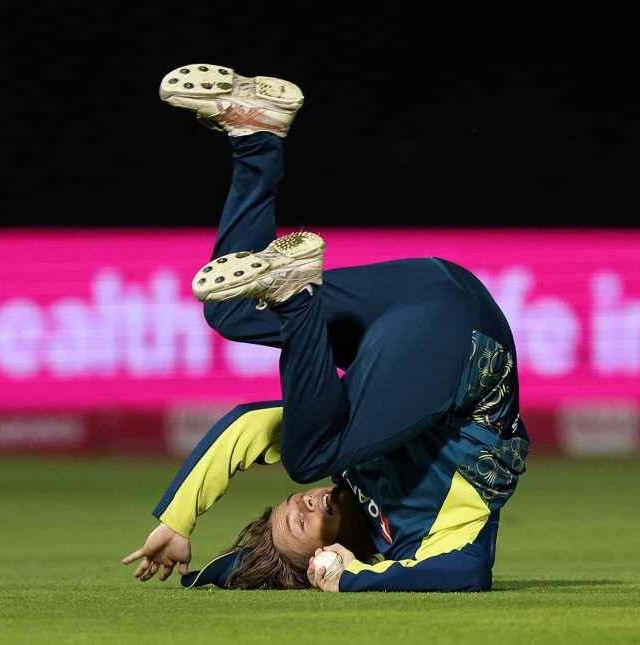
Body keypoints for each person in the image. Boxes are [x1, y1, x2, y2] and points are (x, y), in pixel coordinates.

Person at [121, 63, 530, 592]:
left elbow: (246, 426)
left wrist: (176, 522)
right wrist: (353, 578)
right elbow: (469, 573)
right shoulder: (419, 540)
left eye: (290, 506)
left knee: (231, 309)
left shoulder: (345, 450)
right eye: (302, 522)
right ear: (324, 555)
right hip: (466, 349)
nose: (307, 500)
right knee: (309, 453)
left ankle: (256, 134)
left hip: (421, 292)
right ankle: (297, 296)